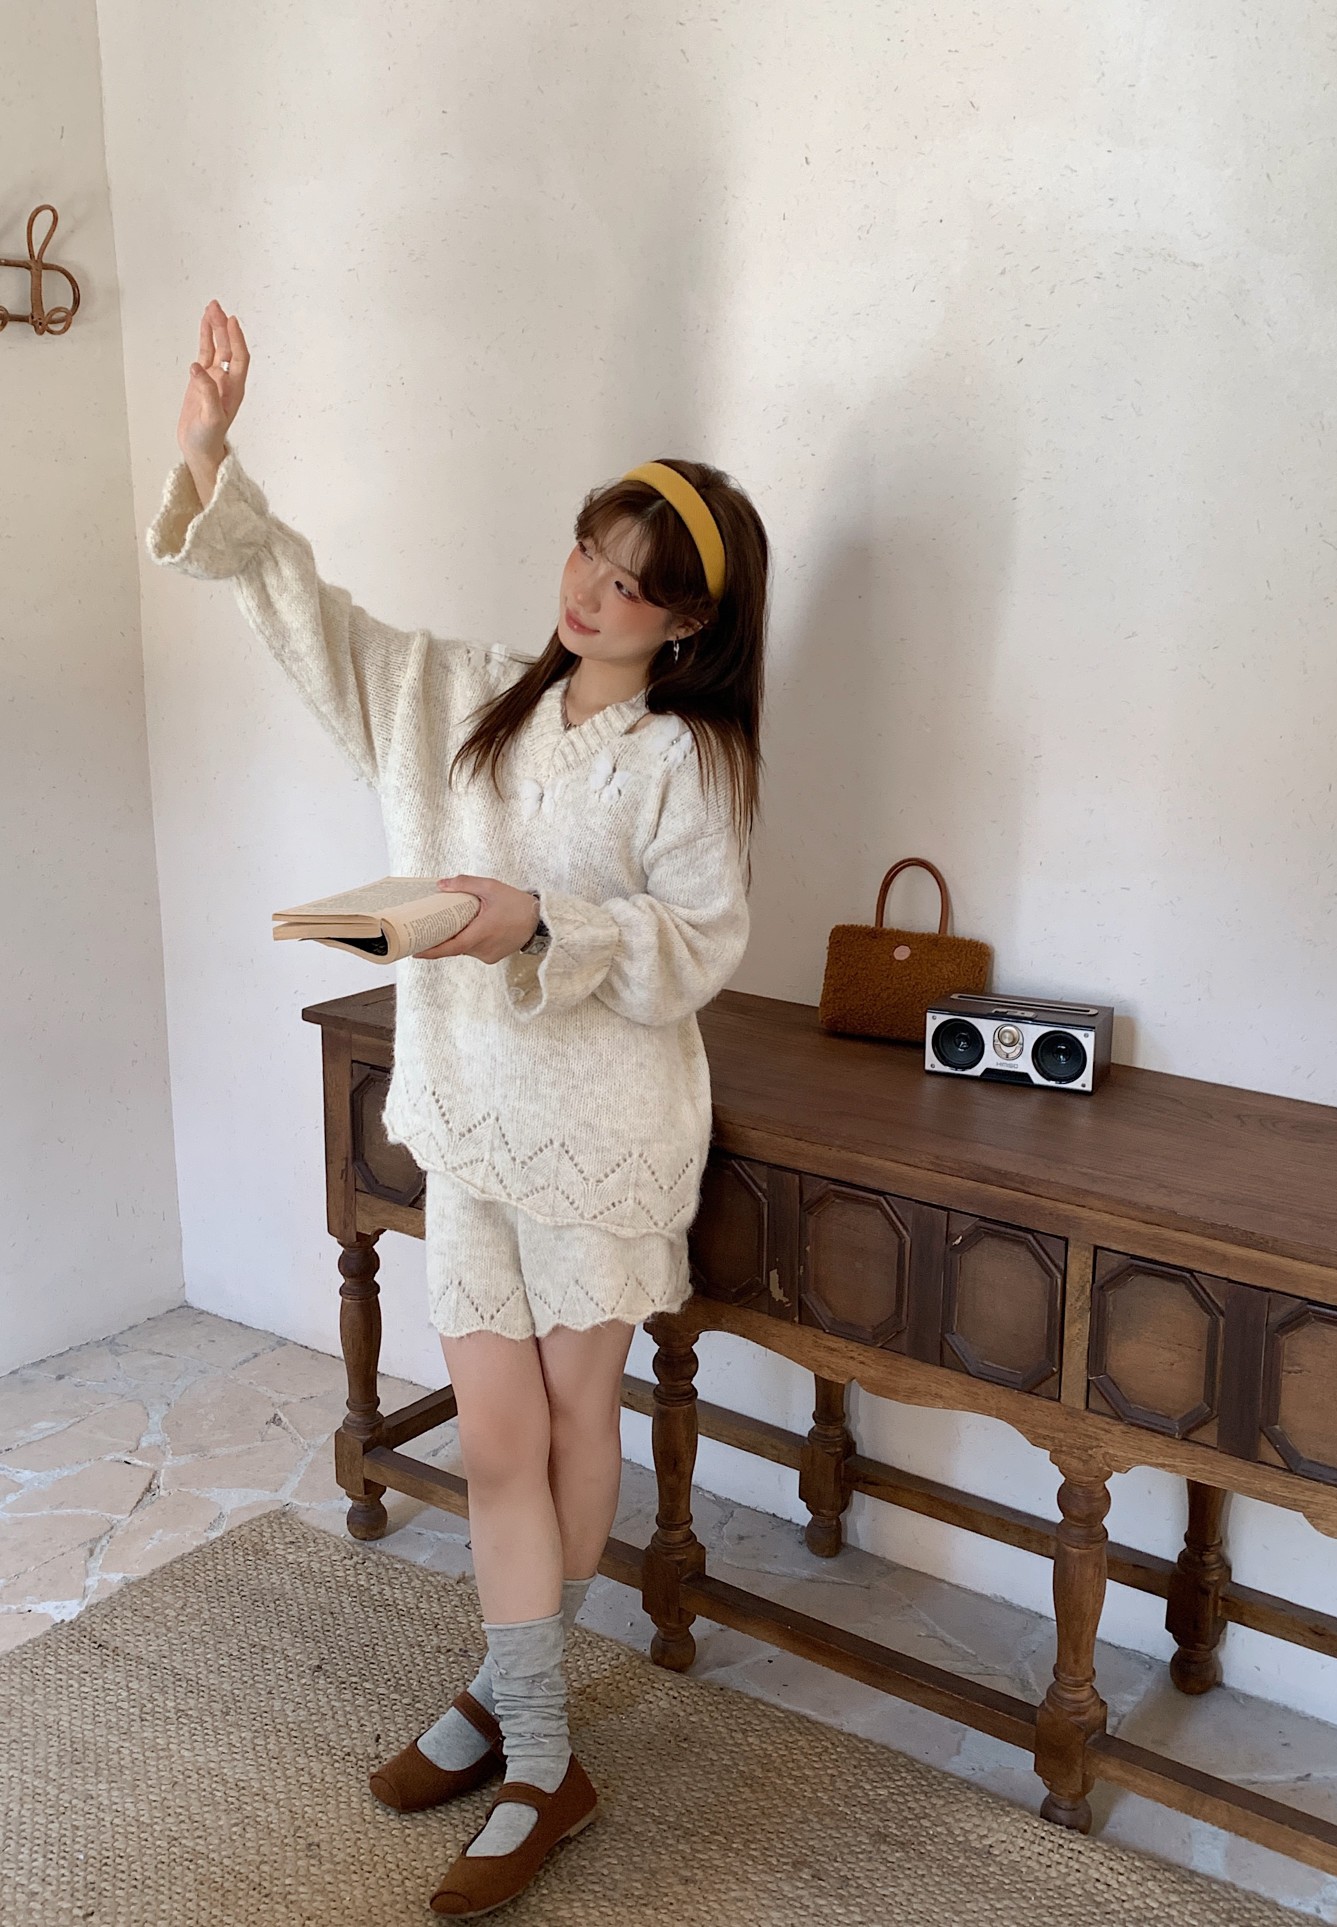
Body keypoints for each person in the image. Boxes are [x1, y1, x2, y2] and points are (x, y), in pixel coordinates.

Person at [147, 300, 769, 1917]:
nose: (590, 591)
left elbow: (698, 951)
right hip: (472, 1117)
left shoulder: (683, 763)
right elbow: (316, 622)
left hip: (606, 1135)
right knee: (495, 1435)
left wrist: (538, 922)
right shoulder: (463, 699)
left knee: (565, 1426)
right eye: (588, 553)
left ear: (687, 622)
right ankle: (527, 1716)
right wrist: (213, 452)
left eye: (631, 581)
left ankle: (532, 1741)